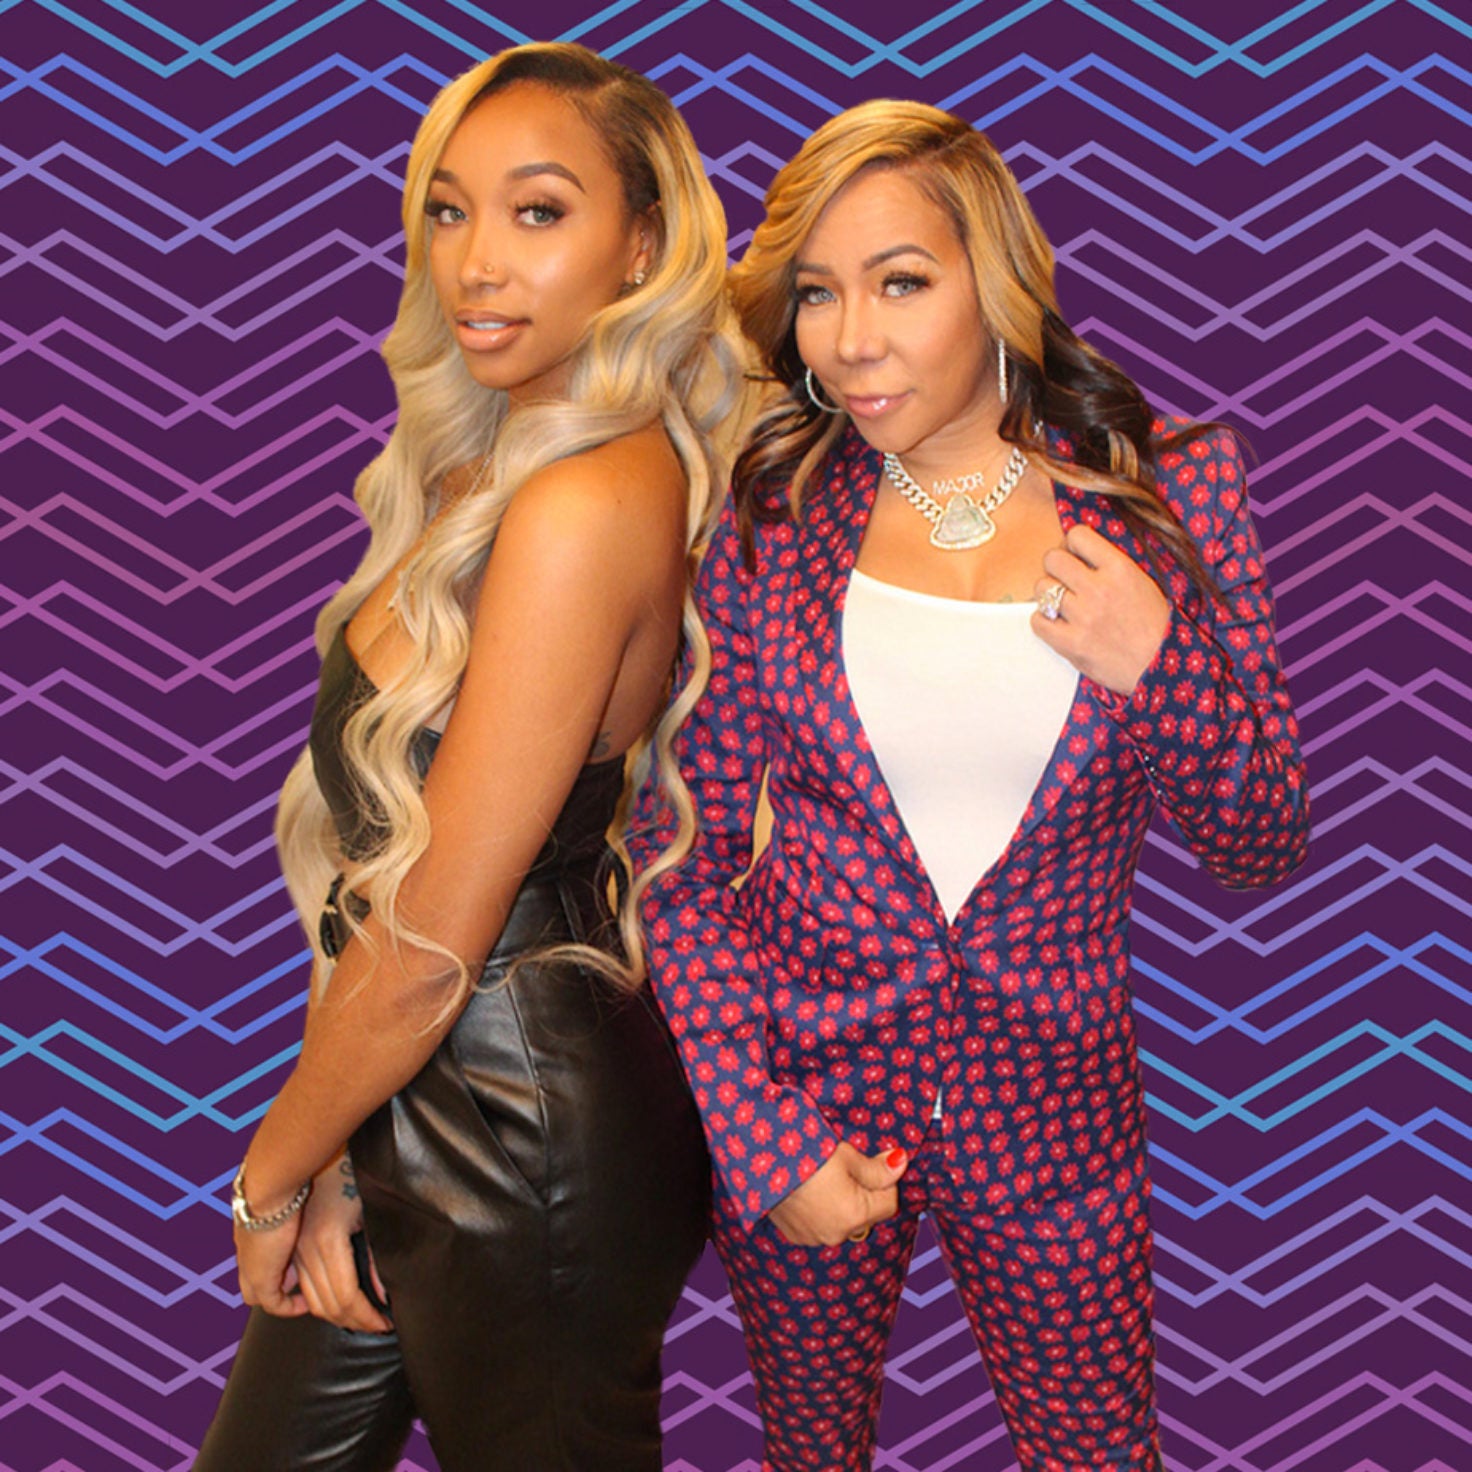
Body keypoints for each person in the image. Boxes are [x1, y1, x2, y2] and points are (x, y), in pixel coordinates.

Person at [628, 99, 1310, 1470]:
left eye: (900, 283)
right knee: (810, 1455)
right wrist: (761, 1141)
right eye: (817, 294)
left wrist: (1159, 662)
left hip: (1057, 1123)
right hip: (808, 1102)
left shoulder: (1169, 491)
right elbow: (675, 862)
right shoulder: (763, 516)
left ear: (994, 280)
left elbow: (1260, 839)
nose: (850, 342)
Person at [194, 42, 737, 1472]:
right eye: (449, 209)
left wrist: (269, 1175)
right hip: (403, 1090)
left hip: (521, 1134)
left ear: (641, 246)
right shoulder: (491, 468)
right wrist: (339, 1144)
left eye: (539, 210)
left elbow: (435, 934)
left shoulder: (585, 501)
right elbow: (387, 893)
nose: (478, 262)